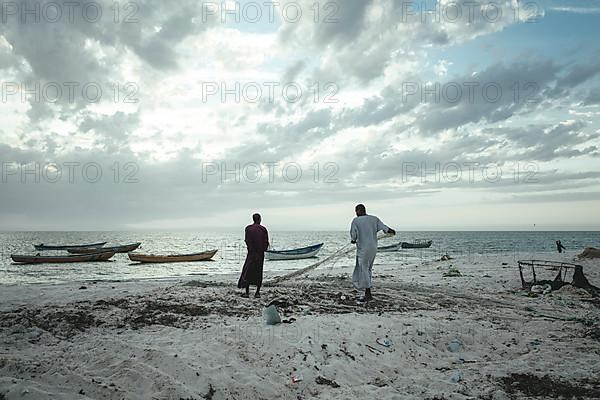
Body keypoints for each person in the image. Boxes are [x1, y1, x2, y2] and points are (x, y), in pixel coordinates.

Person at [350, 204, 395, 302]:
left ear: (358, 211)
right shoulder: (374, 219)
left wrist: (353, 240)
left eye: (356, 211)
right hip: (373, 248)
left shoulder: (356, 220)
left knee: (363, 269)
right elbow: (385, 228)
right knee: (368, 269)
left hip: (363, 249)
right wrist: (391, 231)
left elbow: (353, 235)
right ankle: (367, 290)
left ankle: (368, 293)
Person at [238, 213, 269, 298]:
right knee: (258, 272)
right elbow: (266, 242)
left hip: (251, 253)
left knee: (248, 271)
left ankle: (247, 293)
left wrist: (250, 249)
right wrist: (263, 249)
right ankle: (257, 293)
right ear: (259, 219)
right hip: (259, 254)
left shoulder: (248, 228)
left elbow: (247, 240)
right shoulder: (263, 229)